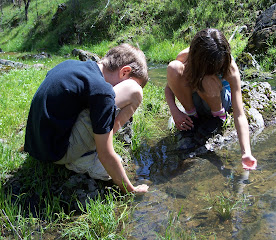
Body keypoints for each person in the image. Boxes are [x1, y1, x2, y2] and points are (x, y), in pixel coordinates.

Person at [24, 43, 149, 193]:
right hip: (57, 153)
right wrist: (131, 189)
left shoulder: (69, 65)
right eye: (130, 81)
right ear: (125, 72)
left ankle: (99, 139)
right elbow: (106, 155)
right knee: (134, 92)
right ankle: (84, 160)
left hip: (36, 144)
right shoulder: (102, 92)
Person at [165, 28, 257, 170]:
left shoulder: (229, 66)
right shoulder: (186, 57)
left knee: (206, 80)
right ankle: (192, 117)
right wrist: (175, 111)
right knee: (173, 67)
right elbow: (169, 87)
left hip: (219, 101)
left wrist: (246, 153)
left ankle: (217, 118)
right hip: (195, 102)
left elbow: (239, 114)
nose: (213, 70)